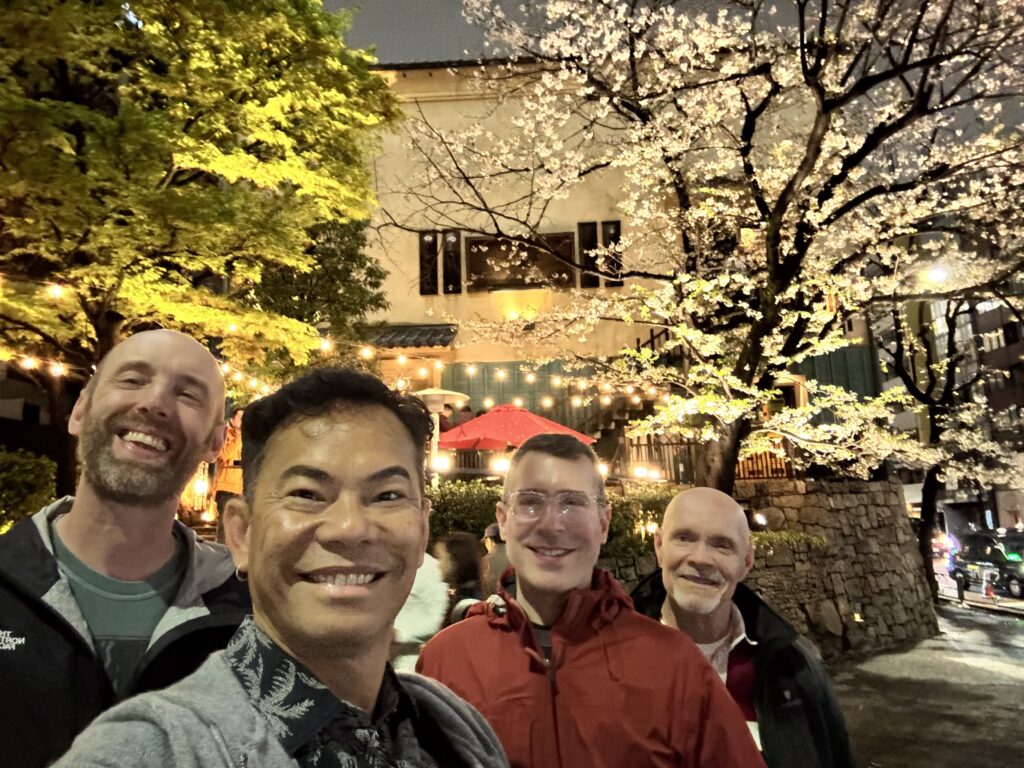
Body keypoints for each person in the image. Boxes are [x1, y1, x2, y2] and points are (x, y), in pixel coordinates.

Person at [54, 366, 507, 768]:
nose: (350, 528)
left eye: (387, 495)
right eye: (307, 494)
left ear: (423, 528)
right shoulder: (147, 750)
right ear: (242, 534)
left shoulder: (453, 729)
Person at [417, 434, 765, 768]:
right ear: (503, 521)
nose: (551, 524)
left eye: (572, 503)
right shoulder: (447, 660)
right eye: (530, 502)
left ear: (603, 523)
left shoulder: (675, 665)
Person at [0, 329, 251, 768]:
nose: (155, 403)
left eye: (188, 395)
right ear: (79, 409)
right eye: (133, 380)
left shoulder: (253, 614)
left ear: (216, 443)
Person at [631, 487, 854, 768]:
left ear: (746, 561)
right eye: (684, 538)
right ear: (659, 548)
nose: (700, 558)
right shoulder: (610, 661)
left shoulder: (794, 668)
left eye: (721, 545)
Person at [435, 531, 484, 624]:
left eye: (441, 558)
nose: (438, 565)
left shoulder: (467, 604)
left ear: (455, 560)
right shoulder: (466, 593)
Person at [480, 522, 509, 597]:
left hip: (493, 604)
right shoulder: (518, 558)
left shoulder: (485, 562)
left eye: (485, 541)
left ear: (490, 541)